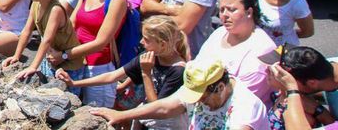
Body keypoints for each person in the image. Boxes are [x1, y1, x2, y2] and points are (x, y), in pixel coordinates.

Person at [59, 16, 189, 129]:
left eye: (146, 39)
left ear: (162, 44)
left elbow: (157, 108)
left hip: (166, 125)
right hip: (146, 120)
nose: (141, 42)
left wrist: (146, 73)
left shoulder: (178, 71)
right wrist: (75, 83)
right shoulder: (150, 56)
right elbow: (112, 76)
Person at [90, 57, 268, 130]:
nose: (199, 102)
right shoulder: (202, 84)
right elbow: (165, 106)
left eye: (202, 98)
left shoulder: (245, 107)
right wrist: (121, 115)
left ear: (220, 88)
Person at [55, 0, 127, 108]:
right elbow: (72, 23)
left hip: (98, 68)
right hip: (77, 62)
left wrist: (65, 55)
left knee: (96, 117)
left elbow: (101, 42)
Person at [197, 0, 277, 103]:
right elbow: (198, 66)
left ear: (249, 12)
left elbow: (241, 100)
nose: (224, 15)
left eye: (231, 10)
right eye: (221, 10)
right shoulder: (219, 33)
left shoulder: (262, 49)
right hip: (205, 102)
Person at [4, 0, 83, 82]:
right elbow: (27, 30)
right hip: (51, 58)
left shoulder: (55, 9)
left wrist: (33, 66)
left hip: (69, 65)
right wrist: (17, 55)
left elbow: (47, 39)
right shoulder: (36, 3)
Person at [267, 62, 337, 130]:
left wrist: (317, 109)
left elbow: (329, 121)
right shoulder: (280, 95)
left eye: (275, 71)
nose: (268, 70)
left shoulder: (301, 106)